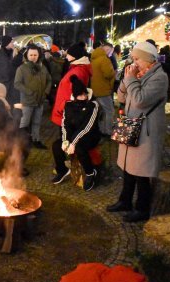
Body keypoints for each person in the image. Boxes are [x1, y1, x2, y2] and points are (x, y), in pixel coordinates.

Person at [106, 42, 168, 223]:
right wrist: (127, 81)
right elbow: (123, 98)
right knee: (128, 167)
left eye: (136, 59)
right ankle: (125, 200)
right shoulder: (140, 74)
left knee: (141, 171)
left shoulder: (160, 78)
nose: (134, 63)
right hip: (131, 124)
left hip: (146, 131)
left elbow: (141, 100)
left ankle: (142, 208)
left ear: (148, 60)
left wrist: (132, 80)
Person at [51, 43, 92, 181]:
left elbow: (75, 92)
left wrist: (63, 106)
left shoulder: (78, 71)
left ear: (74, 56)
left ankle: (64, 169)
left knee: (64, 140)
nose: (66, 55)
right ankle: (63, 167)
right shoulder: (76, 67)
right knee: (63, 140)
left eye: (68, 53)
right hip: (64, 110)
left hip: (65, 111)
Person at [55, 75, 101, 191]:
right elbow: (65, 124)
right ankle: (62, 170)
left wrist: (73, 143)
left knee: (80, 148)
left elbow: (87, 127)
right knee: (56, 145)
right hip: (73, 134)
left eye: (84, 94)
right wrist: (66, 141)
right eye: (79, 95)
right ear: (75, 96)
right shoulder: (68, 105)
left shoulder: (92, 105)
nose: (83, 97)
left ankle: (90, 173)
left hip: (90, 135)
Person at [14, 44, 52, 150]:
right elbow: (17, 83)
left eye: (35, 55)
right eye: (31, 55)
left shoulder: (42, 67)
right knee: (24, 122)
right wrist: (29, 92)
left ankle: (36, 140)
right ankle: (20, 142)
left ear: (38, 55)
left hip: (40, 100)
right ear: (27, 55)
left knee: (37, 122)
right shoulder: (22, 68)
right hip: (27, 101)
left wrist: (46, 92)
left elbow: (49, 80)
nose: (33, 57)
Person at [90, 43, 116, 136]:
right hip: (104, 89)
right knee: (109, 111)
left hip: (96, 89)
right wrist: (114, 72)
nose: (111, 54)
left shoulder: (94, 58)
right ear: (108, 50)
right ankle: (108, 131)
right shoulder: (104, 59)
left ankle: (101, 129)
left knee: (101, 111)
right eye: (111, 52)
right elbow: (108, 74)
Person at [0, 36, 16, 107]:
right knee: (1, 104)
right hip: (1, 83)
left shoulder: (14, 53)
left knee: (12, 103)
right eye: (11, 42)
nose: (13, 43)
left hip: (13, 84)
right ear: (7, 43)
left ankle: (11, 117)